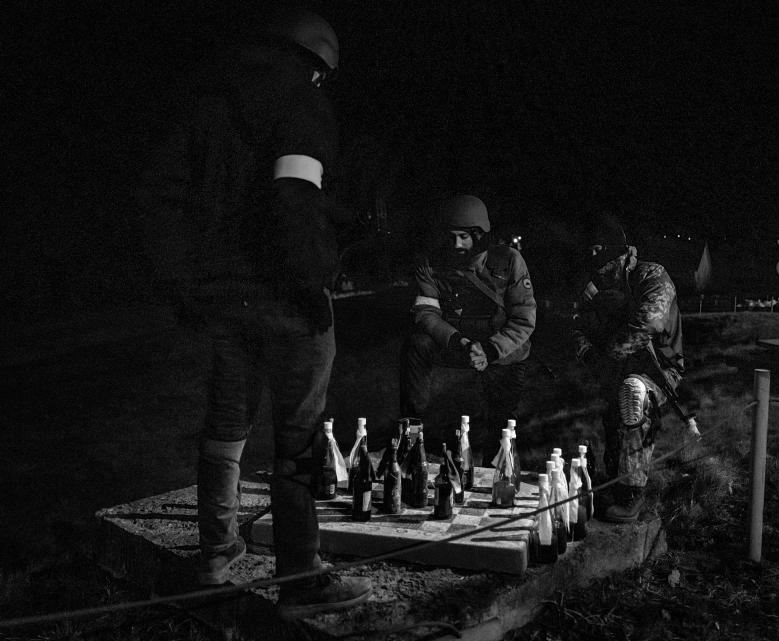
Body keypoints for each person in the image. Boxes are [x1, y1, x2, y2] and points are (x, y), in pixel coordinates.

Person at [134, 8, 371, 619]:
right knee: (296, 445)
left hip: (223, 302)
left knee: (226, 426)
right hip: (285, 303)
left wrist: (185, 285)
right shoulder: (302, 105)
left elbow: (159, 196)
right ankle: (301, 580)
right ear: (317, 67)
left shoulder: (208, 105)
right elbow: (293, 195)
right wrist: (313, 284)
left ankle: (214, 556)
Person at [571, 215, 699, 523]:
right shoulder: (595, 286)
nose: (596, 263)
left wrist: (607, 353)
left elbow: (647, 325)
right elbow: (575, 324)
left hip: (658, 369)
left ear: (619, 252)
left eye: (601, 253)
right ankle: (610, 483)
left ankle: (632, 493)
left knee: (633, 394)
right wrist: (589, 353)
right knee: (609, 421)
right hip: (613, 366)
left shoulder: (653, 277)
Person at [399, 195, 536, 458]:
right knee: (416, 344)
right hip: (459, 344)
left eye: (463, 236)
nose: (456, 244)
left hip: (502, 351)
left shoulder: (508, 260)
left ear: (480, 235)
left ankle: (498, 464)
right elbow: (426, 313)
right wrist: (457, 340)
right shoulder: (431, 263)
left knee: (501, 428)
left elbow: (523, 319)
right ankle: (410, 432)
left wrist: (491, 349)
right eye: (451, 236)